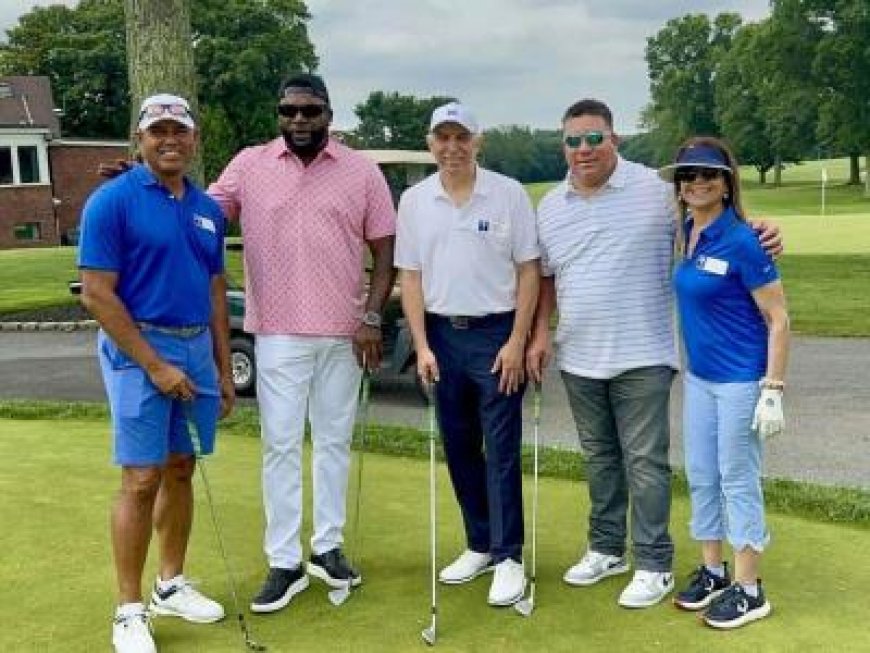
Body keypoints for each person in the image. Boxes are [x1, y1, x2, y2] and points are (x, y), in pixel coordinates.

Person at [526, 98, 782, 609]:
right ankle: (606, 549)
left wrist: (763, 230)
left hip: (644, 351)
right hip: (579, 353)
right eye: (574, 140)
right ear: (564, 146)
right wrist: (538, 335)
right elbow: (547, 280)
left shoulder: (654, 189)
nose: (584, 149)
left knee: (645, 463)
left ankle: (653, 563)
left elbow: (717, 222)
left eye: (594, 138)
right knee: (600, 459)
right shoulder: (551, 206)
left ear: (613, 138)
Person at [207, 73, 397, 612]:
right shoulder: (249, 164)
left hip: (344, 333)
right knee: (281, 446)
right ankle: (285, 561)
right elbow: (201, 215)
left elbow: (384, 251)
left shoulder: (361, 172)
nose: (298, 121)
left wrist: (372, 317)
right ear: (279, 114)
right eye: (288, 111)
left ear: (328, 115)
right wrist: (149, 186)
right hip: (277, 333)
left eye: (309, 112)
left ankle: (328, 548)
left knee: (334, 443)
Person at [78, 93, 234, 653]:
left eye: (179, 130)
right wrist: (155, 364)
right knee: (141, 479)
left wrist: (222, 365)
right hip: (138, 348)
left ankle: (170, 583)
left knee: (181, 467)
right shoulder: (111, 202)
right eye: (157, 130)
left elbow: (214, 288)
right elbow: (97, 295)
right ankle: (128, 609)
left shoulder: (207, 209)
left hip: (195, 349)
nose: (169, 139)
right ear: (139, 139)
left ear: (194, 139)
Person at [395, 102, 541, 607]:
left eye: (462, 137)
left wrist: (518, 341)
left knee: (500, 448)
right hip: (440, 335)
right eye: (443, 138)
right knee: (458, 446)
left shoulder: (508, 194)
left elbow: (528, 271)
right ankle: (479, 542)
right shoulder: (414, 200)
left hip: (497, 332)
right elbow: (409, 279)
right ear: (430, 142)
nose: (452, 147)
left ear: (478, 141)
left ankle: (509, 556)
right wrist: (421, 345)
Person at [661, 137, 789, 628]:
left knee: (737, 477)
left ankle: (750, 588)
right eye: (688, 176)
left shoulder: (743, 239)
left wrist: (773, 390)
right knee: (701, 473)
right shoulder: (687, 230)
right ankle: (713, 570)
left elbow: (779, 318)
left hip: (741, 380)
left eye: (708, 175)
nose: (697, 182)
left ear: (726, 181)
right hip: (701, 378)